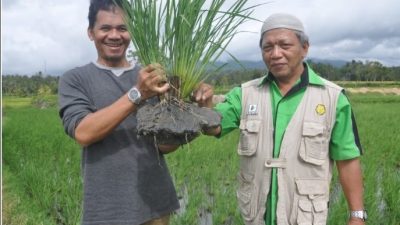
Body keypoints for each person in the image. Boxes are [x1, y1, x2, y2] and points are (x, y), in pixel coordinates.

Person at [198, 13, 366, 225]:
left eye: (284, 45)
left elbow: (348, 159)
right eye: (267, 48)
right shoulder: (245, 94)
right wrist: (203, 109)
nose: (275, 54)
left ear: (304, 48)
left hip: (305, 216)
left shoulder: (333, 98)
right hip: (256, 216)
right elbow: (215, 126)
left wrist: (357, 216)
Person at [58, 0, 180, 224]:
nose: (114, 35)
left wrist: (186, 121)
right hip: (107, 210)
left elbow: (165, 146)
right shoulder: (75, 79)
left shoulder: (153, 77)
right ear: (91, 33)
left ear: (131, 32)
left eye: (122, 28)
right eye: (105, 28)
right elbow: (84, 133)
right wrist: (138, 94)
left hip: (157, 205)